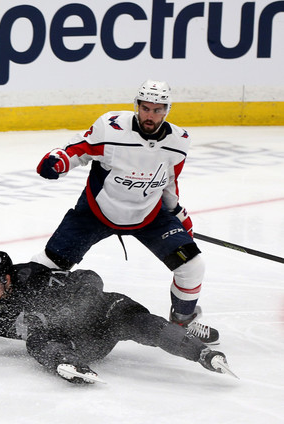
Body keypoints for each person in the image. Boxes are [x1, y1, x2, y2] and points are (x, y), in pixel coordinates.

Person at [32, 79, 218, 344]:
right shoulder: (111, 127)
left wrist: (176, 212)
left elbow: (168, 181)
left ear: (167, 110)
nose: (150, 115)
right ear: (137, 106)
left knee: (192, 265)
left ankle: (182, 322)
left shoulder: (178, 141)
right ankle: (12, 312)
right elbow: (80, 149)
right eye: (145, 108)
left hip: (149, 217)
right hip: (96, 213)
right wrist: (60, 160)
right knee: (48, 264)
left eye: (157, 109)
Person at [0, 250, 235, 384]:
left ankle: (200, 353)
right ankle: (68, 365)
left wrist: (81, 300)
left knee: (141, 321)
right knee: (38, 339)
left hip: (102, 316)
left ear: (8, 277)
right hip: (76, 342)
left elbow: (91, 278)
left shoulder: (36, 278)